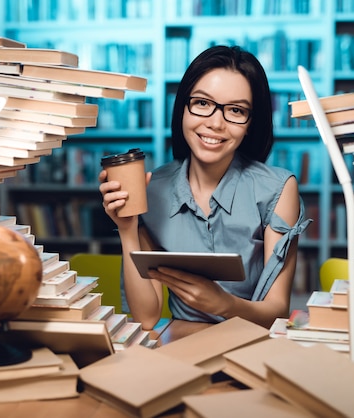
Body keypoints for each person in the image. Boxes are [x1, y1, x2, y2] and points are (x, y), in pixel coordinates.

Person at [99, 45, 311, 331]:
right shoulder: (152, 189)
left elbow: (276, 311)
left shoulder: (277, 189)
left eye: (236, 110)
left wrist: (224, 304)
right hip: (179, 346)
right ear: (183, 108)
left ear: (250, 123)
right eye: (202, 103)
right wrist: (128, 229)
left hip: (250, 345)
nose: (215, 123)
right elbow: (146, 318)